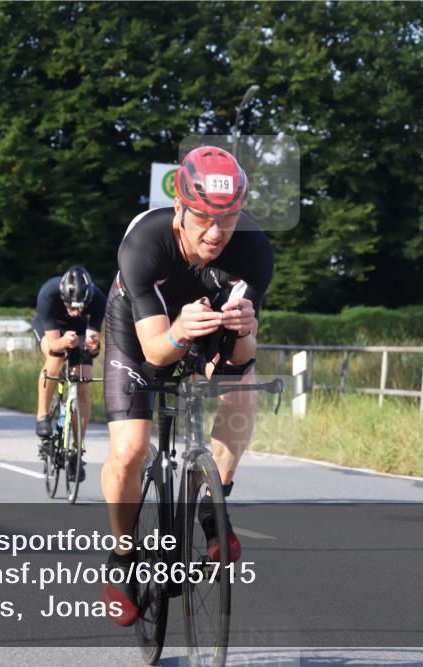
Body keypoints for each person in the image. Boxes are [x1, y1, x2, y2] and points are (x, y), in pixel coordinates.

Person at [100, 145, 273, 626]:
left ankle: (213, 505)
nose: (217, 233)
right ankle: (122, 556)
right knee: (131, 450)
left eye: (230, 219)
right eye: (203, 219)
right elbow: (156, 351)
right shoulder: (144, 243)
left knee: (245, 382)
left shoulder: (254, 249)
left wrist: (241, 330)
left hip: (203, 324)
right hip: (140, 334)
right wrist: (179, 330)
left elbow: (238, 362)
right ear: (179, 208)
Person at [33, 266, 106, 482]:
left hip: (80, 330)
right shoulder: (48, 294)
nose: (76, 311)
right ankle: (43, 415)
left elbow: (93, 339)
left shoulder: (98, 300)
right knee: (55, 357)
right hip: (52, 328)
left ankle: (76, 449)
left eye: (81, 307)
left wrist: (93, 345)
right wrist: (64, 342)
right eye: (71, 307)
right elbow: (55, 343)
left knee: (82, 385)